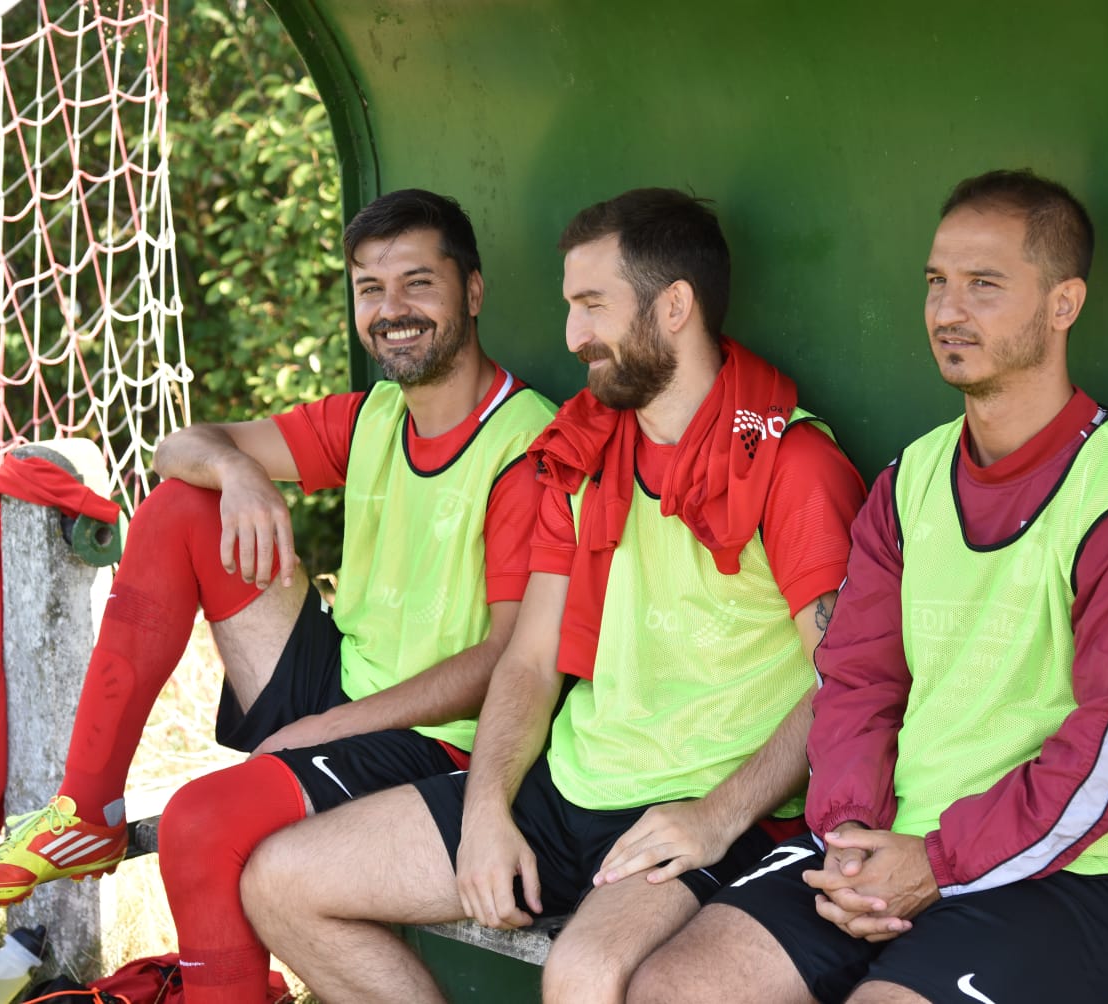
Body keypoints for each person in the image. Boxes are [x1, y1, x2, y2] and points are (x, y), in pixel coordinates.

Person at [239, 187, 868, 1003]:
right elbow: (531, 662)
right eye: (571, 307)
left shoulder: (794, 465)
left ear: (674, 306)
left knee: (583, 975)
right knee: (280, 881)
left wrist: (717, 816)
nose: (574, 336)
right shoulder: (584, 448)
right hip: (566, 782)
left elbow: (845, 682)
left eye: (593, 306)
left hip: (698, 809)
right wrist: (487, 810)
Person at [629, 169, 1108, 1004]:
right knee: (672, 989)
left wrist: (938, 862)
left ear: (1064, 304)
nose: (948, 310)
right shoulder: (910, 480)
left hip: (1062, 874)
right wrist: (848, 827)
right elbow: (856, 677)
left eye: (984, 285)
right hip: (889, 834)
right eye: (936, 282)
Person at [0, 190, 557, 1003]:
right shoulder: (374, 414)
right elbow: (178, 448)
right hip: (346, 678)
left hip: (441, 738)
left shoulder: (525, 445)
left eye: (418, 283)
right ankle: (87, 809)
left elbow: (507, 660)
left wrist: (326, 728)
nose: (392, 310)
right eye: (370, 289)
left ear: (472, 292)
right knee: (182, 506)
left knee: (201, 823)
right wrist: (236, 470)